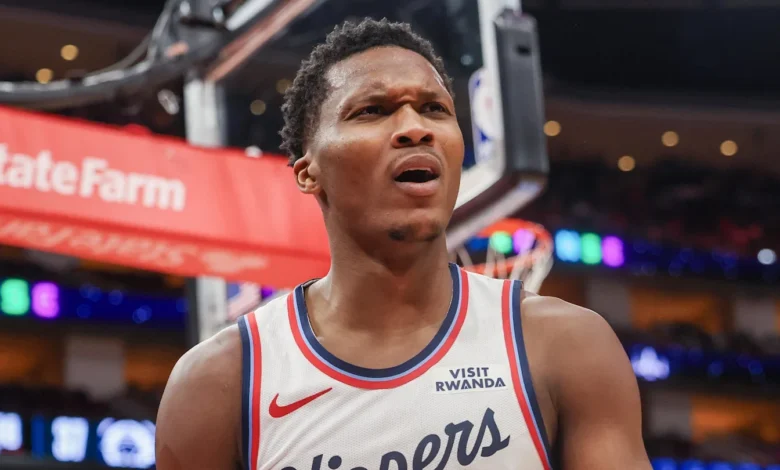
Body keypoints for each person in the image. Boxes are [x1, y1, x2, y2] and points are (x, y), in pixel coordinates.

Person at [156, 18, 651, 470]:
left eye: (434, 109)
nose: (416, 128)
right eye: (372, 111)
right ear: (309, 172)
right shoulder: (219, 383)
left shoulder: (565, 345)